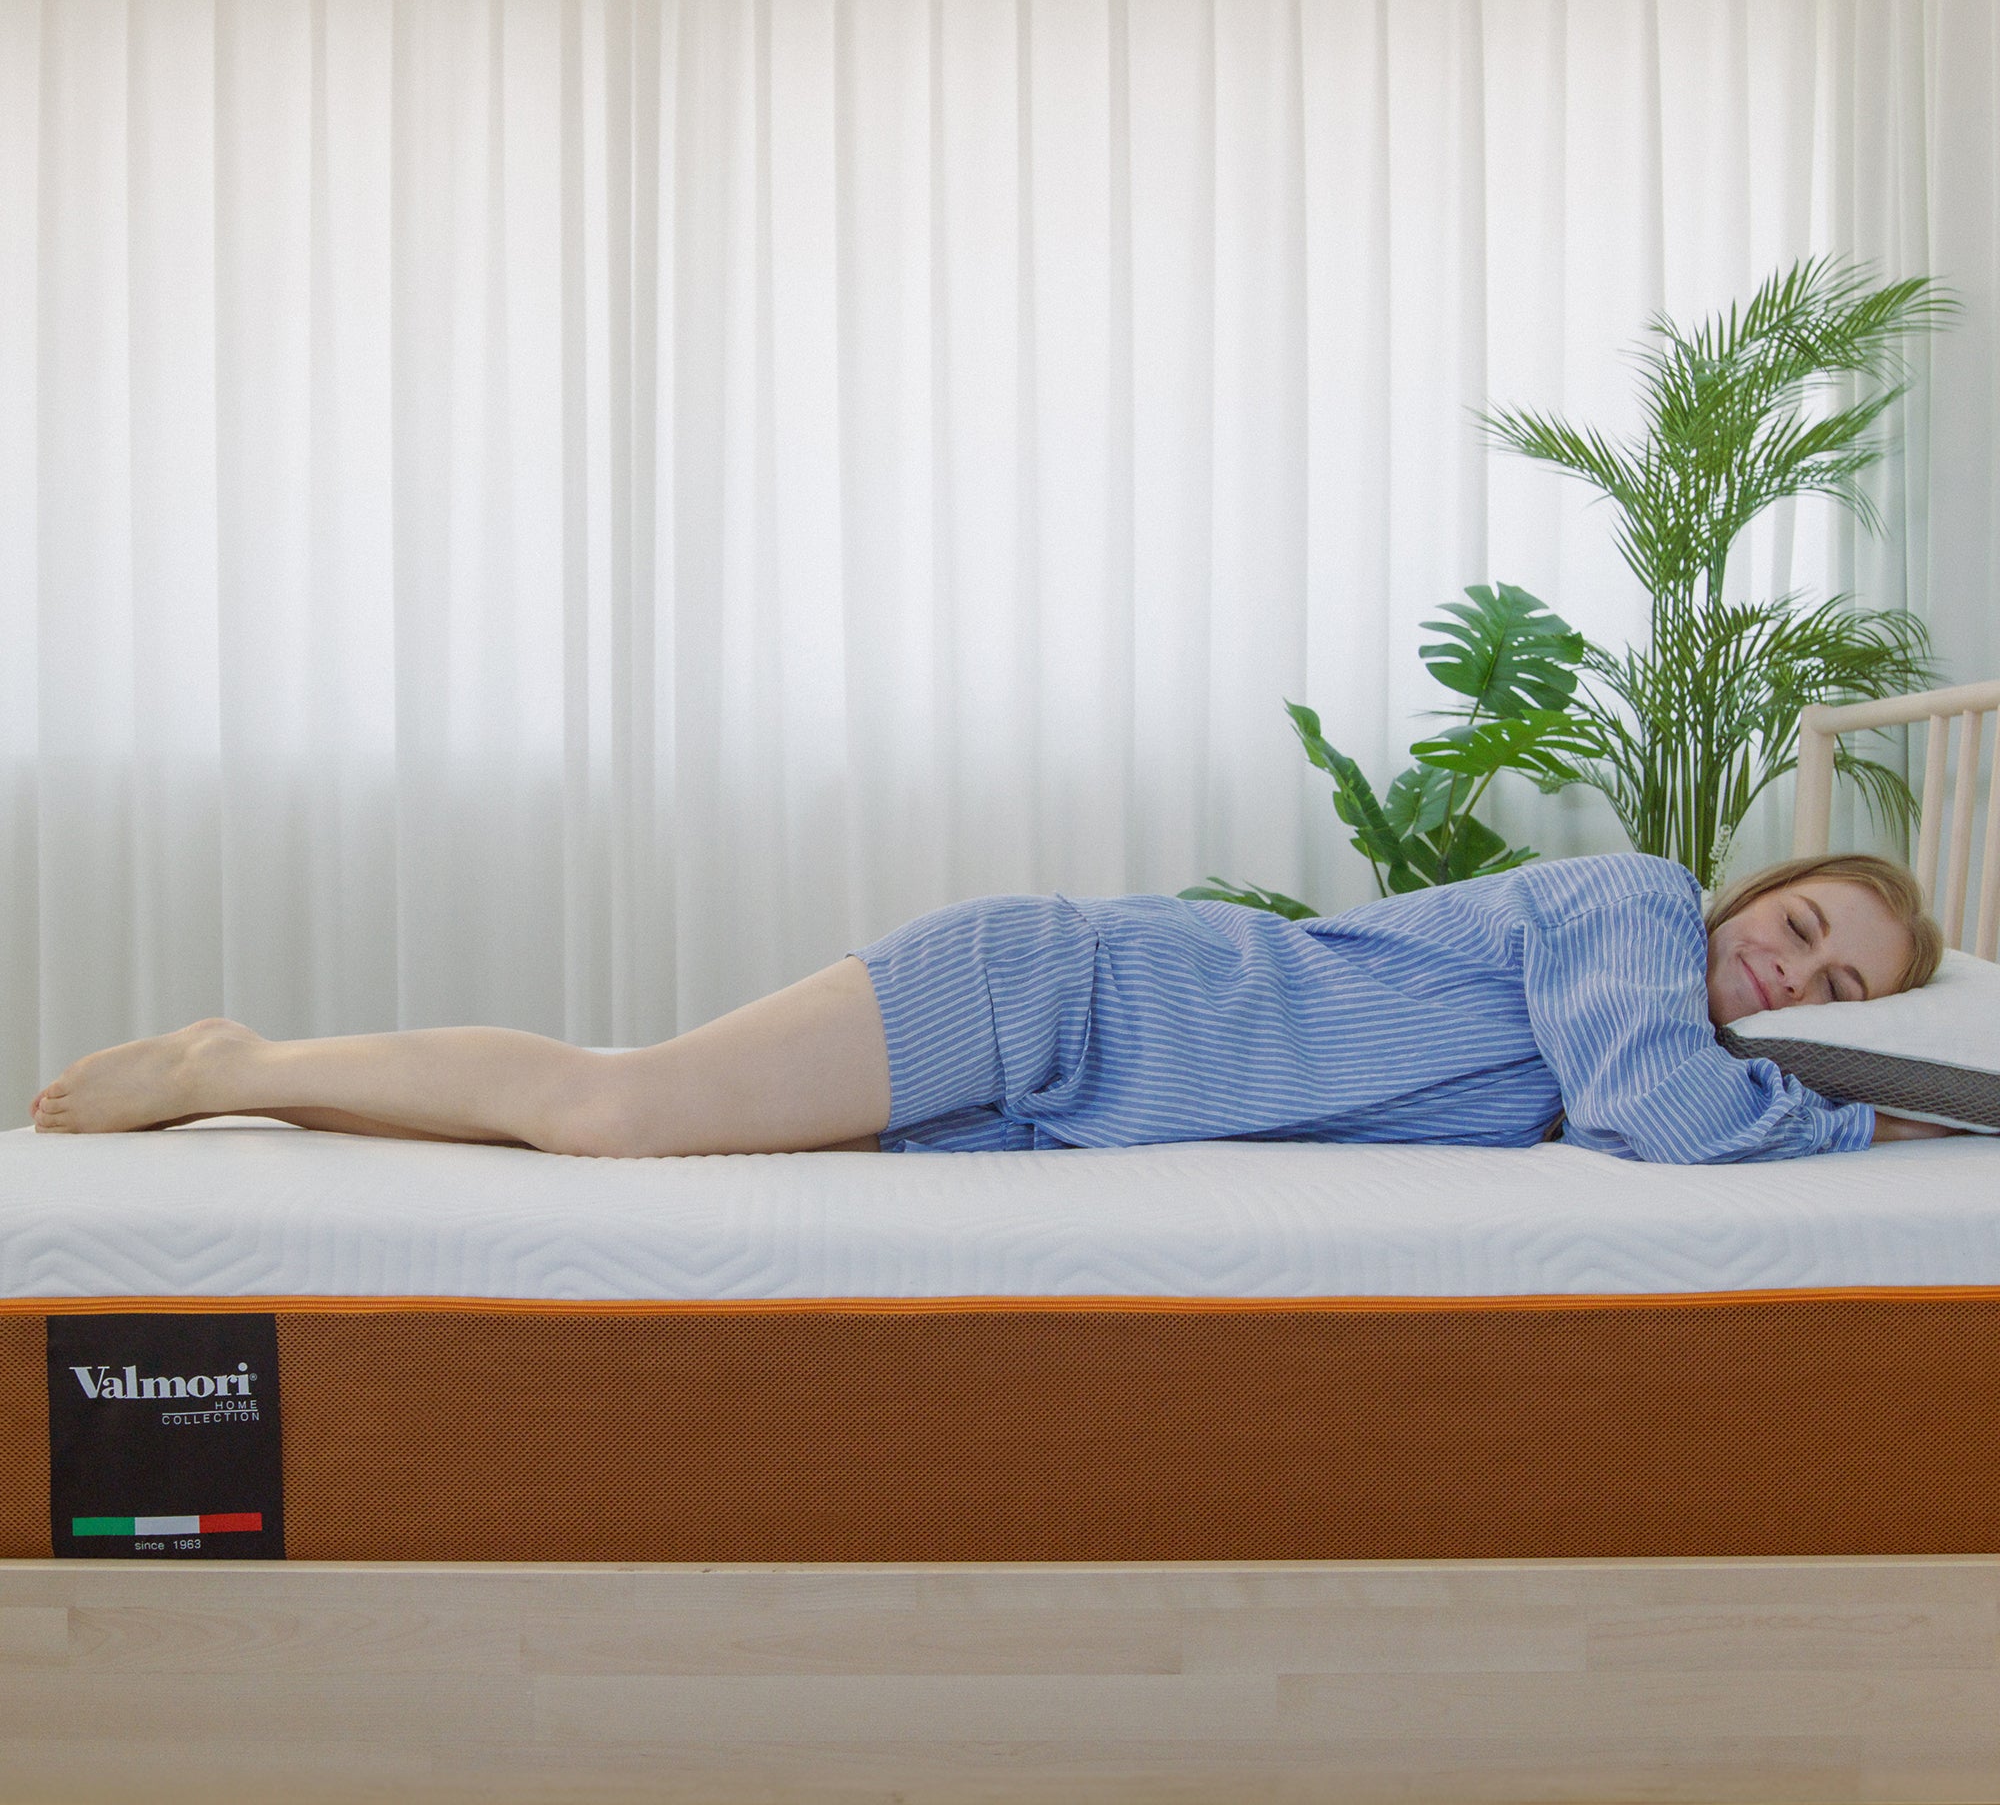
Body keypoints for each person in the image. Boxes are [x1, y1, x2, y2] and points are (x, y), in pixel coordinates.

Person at [25, 850, 1961, 1162]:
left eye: (1833, 988)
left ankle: (269, 1101)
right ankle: (235, 1058)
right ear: (1745, 888)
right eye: (1796, 928)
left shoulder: (1657, 1024)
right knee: (622, 1108)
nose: (1783, 972)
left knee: (631, 1142)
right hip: (1069, 994)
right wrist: (1870, 1114)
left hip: (1064, 1101)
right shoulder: (1626, 910)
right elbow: (1663, 1119)